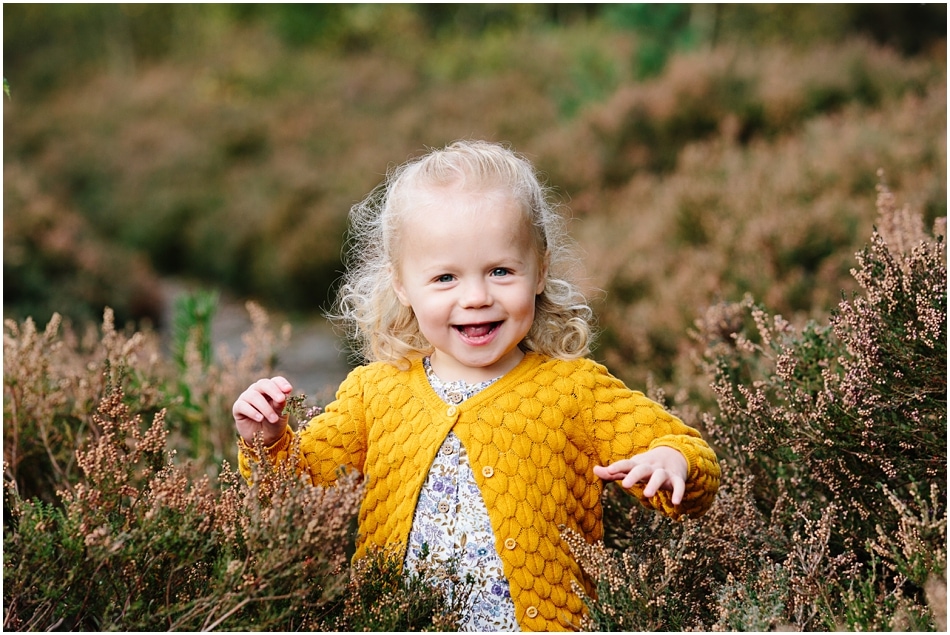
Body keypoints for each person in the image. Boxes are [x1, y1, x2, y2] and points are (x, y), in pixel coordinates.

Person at [233, 140, 720, 632]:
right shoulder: (373, 393)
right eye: (445, 277)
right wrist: (267, 443)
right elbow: (295, 496)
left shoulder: (575, 389)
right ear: (402, 284)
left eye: (500, 271)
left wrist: (672, 462)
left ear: (540, 270)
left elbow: (685, 459)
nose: (476, 297)